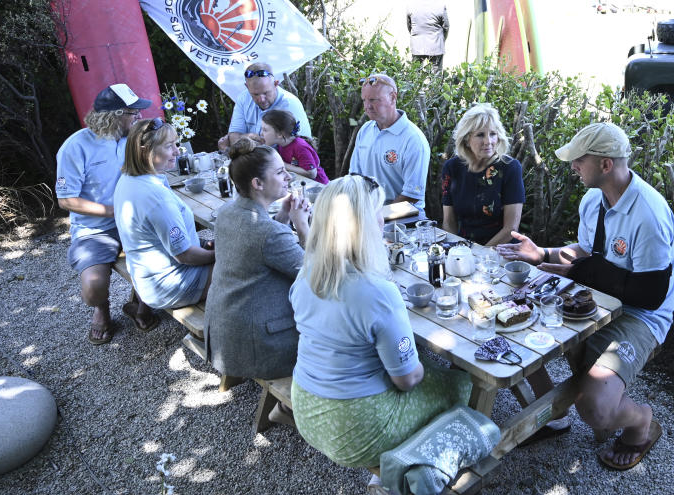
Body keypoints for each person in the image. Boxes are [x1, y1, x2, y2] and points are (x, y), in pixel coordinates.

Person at [496, 122, 674, 471]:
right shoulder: (594, 198)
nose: (573, 167)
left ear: (606, 165)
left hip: (640, 316)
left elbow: (650, 295)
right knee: (514, 313)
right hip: (601, 299)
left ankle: (641, 422)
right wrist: (543, 255)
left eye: (579, 160)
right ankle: (554, 412)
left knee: (594, 407)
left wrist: (580, 274)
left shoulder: (649, 215)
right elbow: (585, 253)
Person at [289, 175, 471, 483]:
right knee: (462, 383)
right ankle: (411, 465)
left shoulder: (306, 272)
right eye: (378, 214)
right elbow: (409, 380)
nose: (383, 221)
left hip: (305, 409)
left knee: (415, 361)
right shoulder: (378, 292)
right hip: (355, 432)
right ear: (362, 226)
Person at [205, 140, 311, 424]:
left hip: (223, 332)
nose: (288, 175)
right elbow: (317, 275)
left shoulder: (228, 211)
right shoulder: (267, 233)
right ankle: (295, 409)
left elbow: (259, 246)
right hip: (255, 346)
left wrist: (284, 216)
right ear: (257, 184)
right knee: (336, 328)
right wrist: (302, 226)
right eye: (279, 172)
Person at [56, 84, 157, 344]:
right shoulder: (75, 146)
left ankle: (142, 306)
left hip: (134, 222)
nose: (138, 118)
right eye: (133, 113)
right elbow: (66, 200)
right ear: (116, 115)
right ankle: (102, 308)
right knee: (92, 287)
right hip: (95, 230)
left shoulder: (133, 139)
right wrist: (112, 211)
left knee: (167, 252)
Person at [114, 119, 215, 310]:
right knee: (243, 265)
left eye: (175, 144)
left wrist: (202, 245)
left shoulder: (129, 178)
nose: (177, 151)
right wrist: (219, 255)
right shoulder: (155, 197)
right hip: (169, 285)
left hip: (147, 278)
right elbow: (185, 255)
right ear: (145, 151)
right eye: (169, 146)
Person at [441, 103, 524, 246]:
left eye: (493, 134)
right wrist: (457, 252)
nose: (488, 141)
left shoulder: (509, 168)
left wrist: (481, 255)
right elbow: (449, 222)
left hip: (501, 250)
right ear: (466, 139)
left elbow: (511, 228)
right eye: (480, 135)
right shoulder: (452, 168)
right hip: (464, 249)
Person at [349, 73, 429, 212]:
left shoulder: (413, 140)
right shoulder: (365, 130)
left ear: (393, 97)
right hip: (368, 211)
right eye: (364, 100)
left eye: (373, 100)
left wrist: (378, 214)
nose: (367, 106)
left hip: (404, 218)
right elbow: (355, 176)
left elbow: (411, 196)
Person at [217, 62, 311, 151]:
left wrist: (245, 143)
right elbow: (232, 137)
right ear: (247, 87)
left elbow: (301, 148)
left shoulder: (290, 104)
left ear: (276, 84)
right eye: (255, 94)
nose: (261, 99)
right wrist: (247, 137)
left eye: (266, 93)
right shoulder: (243, 98)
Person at [260, 109, 329, 184]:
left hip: (317, 187)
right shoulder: (281, 144)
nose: (261, 134)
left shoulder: (300, 147)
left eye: (265, 130)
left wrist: (283, 165)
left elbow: (312, 173)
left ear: (280, 134)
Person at [406, 0, 449, 71]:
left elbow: (409, 25)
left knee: (415, 74)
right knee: (436, 75)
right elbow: (446, 27)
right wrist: (442, 39)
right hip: (436, 46)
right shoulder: (440, 6)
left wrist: (415, 36)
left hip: (417, 46)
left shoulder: (411, 6)